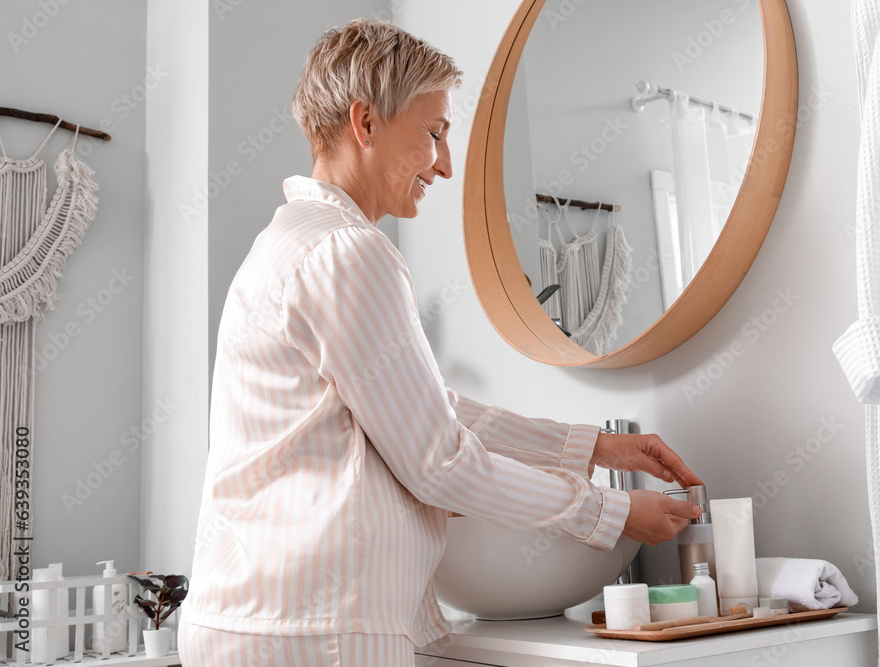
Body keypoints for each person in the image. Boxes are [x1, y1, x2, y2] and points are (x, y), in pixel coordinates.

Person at [178, 18, 703, 666]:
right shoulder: (347, 252)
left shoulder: (291, 243)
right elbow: (440, 461)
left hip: (270, 622)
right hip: (312, 632)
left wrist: (594, 446)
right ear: (365, 123)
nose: (447, 164)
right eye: (433, 134)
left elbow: (434, 411)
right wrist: (611, 511)